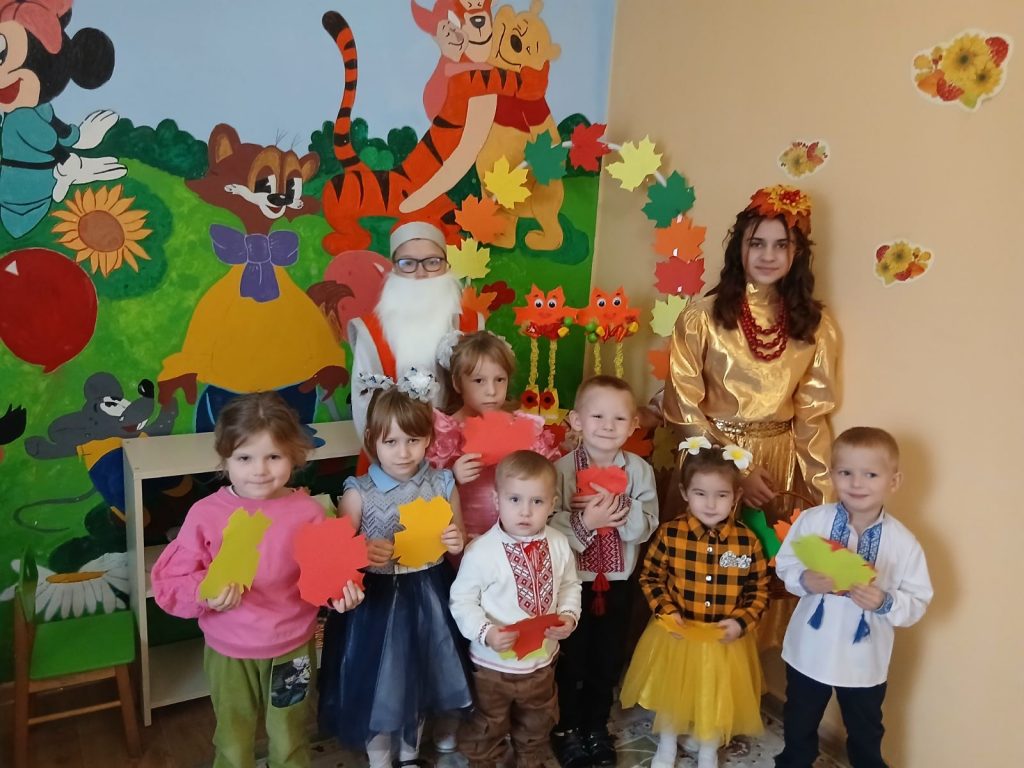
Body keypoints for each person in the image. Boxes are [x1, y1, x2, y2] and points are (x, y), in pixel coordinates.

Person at [663, 184, 840, 645]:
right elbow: (682, 407)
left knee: (755, 585)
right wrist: (736, 469)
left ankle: (741, 680)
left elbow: (813, 418)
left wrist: (824, 502)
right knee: (696, 582)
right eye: (756, 243)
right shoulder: (701, 317)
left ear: (797, 253)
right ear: (738, 247)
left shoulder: (816, 326)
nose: (768, 255)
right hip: (709, 460)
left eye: (781, 245)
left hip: (778, 469)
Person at [150, 392, 364, 768]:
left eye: (274, 457)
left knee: (290, 737)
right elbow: (170, 582)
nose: (259, 470)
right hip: (230, 651)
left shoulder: (309, 512)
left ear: (294, 456)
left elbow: (330, 575)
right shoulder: (206, 514)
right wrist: (205, 593)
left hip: (292, 649)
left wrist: (342, 595)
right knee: (233, 741)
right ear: (225, 459)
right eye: (244, 458)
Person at [318, 371, 473, 768]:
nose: (403, 452)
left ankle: (409, 754)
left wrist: (456, 540)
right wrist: (361, 551)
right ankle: (380, 758)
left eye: (413, 440)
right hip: (379, 602)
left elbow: (459, 535)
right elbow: (336, 553)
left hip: (430, 592)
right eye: (391, 442)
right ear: (372, 440)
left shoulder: (442, 482)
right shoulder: (359, 491)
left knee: (420, 676)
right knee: (382, 682)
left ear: (428, 439)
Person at [773, 427, 932, 768]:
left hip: (864, 660)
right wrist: (804, 579)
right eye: (846, 472)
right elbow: (785, 565)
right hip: (809, 651)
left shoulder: (904, 544)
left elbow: (918, 601)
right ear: (832, 475)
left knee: (865, 732)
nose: (857, 483)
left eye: (870, 474)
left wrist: (884, 602)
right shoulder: (814, 521)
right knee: (799, 722)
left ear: (893, 481)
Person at [620, 441, 769, 768]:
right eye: (701, 493)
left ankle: (707, 750)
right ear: (685, 493)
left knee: (715, 697)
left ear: (736, 496)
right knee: (672, 694)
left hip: (723, 640)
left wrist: (741, 622)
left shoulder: (747, 541)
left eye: (721, 495)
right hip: (678, 633)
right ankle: (667, 746)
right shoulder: (670, 534)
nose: (711, 504)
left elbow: (758, 589)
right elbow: (650, 576)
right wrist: (666, 610)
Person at [548, 375, 659, 768]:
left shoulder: (640, 472)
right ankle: (566, 728)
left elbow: (647, 524)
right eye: (597, 416)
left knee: (607, 658)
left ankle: (596, 725)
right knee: (570, 659)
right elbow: (548, 526)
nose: (608, 426)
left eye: (619, 419)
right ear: (576, 420)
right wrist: (587, 522)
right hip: (570, 585)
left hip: (617, 584)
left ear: (633, 426)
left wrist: (619, 507)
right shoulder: (560, 470)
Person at [449, 450, 582, 768]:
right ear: (497, 500)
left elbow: (569, 585)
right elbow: (462, 600)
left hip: (541, 663)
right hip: (492, 667)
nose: (525, 511)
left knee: (537, 721)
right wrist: (486, 632)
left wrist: (569, 616)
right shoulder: (481, 551)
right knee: (487, 723)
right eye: (514, 499)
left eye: (537, 501)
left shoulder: (559, 544)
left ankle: (529, 759)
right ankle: (483, 762)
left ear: (552, 504)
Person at [348, 220, 484, 436]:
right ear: (394, 268)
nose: (421, 273)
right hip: (394, 449)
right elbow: (363, 402)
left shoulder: (472, 323)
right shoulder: (370, 330)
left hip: (462, 446)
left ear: (446, 265)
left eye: (432, 262)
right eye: (408, 263)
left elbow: (483, 393)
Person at [429, 330, 562, 542]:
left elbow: (545, 484)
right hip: (464, 542)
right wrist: (451, 478)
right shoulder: (445, 433)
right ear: (457, 382)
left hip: (517, 540)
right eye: (479, 380)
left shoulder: (524, 428)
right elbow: (420, 491)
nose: (491, 391)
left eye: (499, 379)